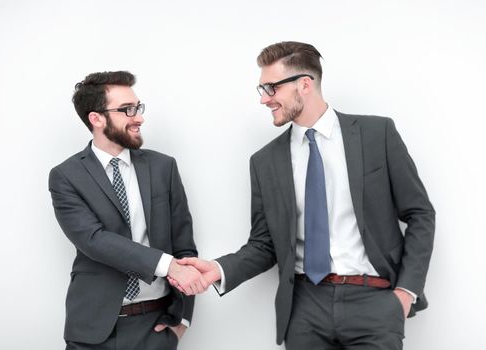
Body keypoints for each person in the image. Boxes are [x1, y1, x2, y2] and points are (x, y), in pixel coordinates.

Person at [173, 42, 435, 349]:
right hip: (305, 308)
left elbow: (420, 214)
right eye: (262, 89)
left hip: (374, 300)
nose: (265, 100)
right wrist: (218, 269)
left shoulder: (377, 134)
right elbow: (263, 244)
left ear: (305, 84)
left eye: (271, 88)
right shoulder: (265, 161)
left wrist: (405, 292)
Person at [49, 71, 207, 349]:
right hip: (93, 330)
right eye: (127, 110)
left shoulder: (163, 167)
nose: (139, 118)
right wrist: (166, 264)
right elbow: (94, 240)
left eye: (138, 107)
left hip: (156, 326)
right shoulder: (66, 176)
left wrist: (182, 320)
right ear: (96, 118)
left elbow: (184, 246)